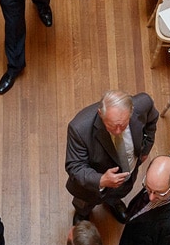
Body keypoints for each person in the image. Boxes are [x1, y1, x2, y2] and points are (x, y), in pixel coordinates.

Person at [65, 90, 160, 224]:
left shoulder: (144, 103)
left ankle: (113, 202)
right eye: (112, 126)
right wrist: (101, 180)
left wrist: (146, 149)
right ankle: (82, 214)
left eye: (123, 125)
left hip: (126, 173)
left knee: (120, 191)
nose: (117, 132)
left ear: (131, 111)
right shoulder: (79, 129)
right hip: (91, 185)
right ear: (100, 114)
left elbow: (152, 121)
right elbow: (75, 167)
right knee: (84, 203)